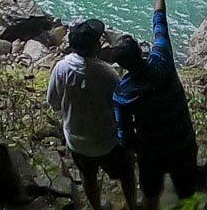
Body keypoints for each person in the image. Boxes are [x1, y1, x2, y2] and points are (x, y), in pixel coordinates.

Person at [112, 0, 202, 208]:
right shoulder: (162, 59)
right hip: (182, 140)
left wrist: (135, 148)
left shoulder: (123, 93)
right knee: (188, 193)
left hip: (151, 152)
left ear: (122, 65)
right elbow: (159, 21)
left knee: (150, 196)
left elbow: (123, 133)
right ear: (140, 51)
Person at [46, 18, 139, 209]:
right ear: (95, 46)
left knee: (87, 176)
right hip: (106, 142)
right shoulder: (108, 74)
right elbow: (121, 109)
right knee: (126, 172)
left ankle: (96, 207)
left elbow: (53, 103)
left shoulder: (61, 69)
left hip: (76, 140)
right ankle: (132, 205)